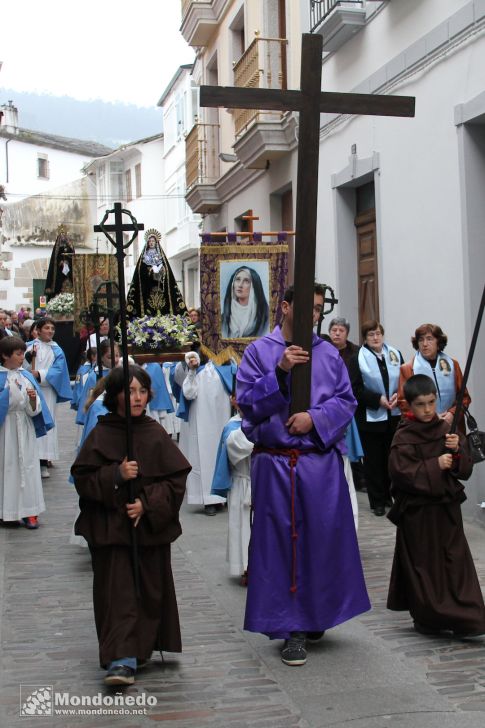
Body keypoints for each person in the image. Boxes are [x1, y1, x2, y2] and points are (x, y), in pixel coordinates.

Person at [236, 284, 370, 666]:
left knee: (321, 541)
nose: (315, 314)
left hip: (319, 464)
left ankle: (315, 614)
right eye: (308, 307)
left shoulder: (329, 354)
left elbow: (346, 402)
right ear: (285, 306)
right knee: (282, 545)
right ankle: (289, 628)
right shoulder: (260, 351)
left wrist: (315, 418)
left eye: (318, 308)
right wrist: (279, 372)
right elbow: (247, 406)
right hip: (277, 464)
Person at [71, 365, 191, 686]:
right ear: (117, 395)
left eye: (142, 391)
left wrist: (147, 504)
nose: (137, 398)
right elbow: (83, 479)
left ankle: (140, 648)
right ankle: (120, 659)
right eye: (130, 391)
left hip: (148, 532)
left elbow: (175, 480)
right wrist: (115, 475)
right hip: (111, 531)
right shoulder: (102, 433)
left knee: (148, 590)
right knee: (117, 591)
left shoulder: (154, 433)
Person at [387, 374, 485, 637]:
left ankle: (467, 618)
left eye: (432, 402)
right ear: (408, 405)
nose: (428, 410)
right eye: (421, 404)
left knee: (455, 562)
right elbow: (400, 473)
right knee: (425, 567)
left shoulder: (445, 430)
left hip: (446, 510)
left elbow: (463, 469)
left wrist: (457, 452)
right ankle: (430, 617)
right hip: (418, 514)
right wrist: (434, 465)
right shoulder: (404, 436)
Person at [349, 320, 403, 517]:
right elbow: (354, 389)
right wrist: (377, 399)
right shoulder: (357, 358)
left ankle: (390, 496)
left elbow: (403, 380)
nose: (375, 337)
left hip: (393, 416)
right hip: (369, 419)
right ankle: (377, 501)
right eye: (371, 334)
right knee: (373, 462)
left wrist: (399, 395)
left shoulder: (394, 355)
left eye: (378, 333)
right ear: (365, 337)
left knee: (391, 460)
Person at [0, 337, 54, 529]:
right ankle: (8, 512)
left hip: (24, 427)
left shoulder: (26, 376)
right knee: (7, 468)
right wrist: (9, 393)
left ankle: (31, 511)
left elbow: (34, 410)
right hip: (5, 429)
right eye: (18, 353)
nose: (22, 356)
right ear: (5, 356)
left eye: (23, 352)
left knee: (29, 467)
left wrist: (32, 400)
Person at [176, 351, 234, 515]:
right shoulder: (198, 372)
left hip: (222, 420)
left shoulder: (227, 370)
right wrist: (192, 370)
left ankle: (223, 495)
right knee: (203, 456)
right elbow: (188, 392)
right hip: (201, 422)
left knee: (224, 454)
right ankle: (208, 498)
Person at [211, 396, 253, 582]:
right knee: (242, 528)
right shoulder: (232, 426)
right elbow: (240, 445)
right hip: (242, 484)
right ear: (234, 400)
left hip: (263, 483)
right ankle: (246, 567)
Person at [23, 317, 72, 478]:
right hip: (30, 390)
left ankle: (43, 460)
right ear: (38, 330)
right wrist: (28, 360)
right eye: (47, 328)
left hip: (46, 391)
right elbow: (20, 365)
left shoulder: (56, 350)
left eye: (52, 328)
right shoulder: (28, 348)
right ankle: (30, 458)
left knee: (46, 422)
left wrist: (40, 374)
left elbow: (58, 370)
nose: (50, 331)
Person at [397, 323, 470, 428]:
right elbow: (403, 403)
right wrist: (431, 416)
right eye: (421, 340)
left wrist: (452, 414)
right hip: (423, 429)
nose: (425, 344)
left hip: (452, 425)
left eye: (429, 339)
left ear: (438, 342)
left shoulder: (453, 365)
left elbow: (464, 397)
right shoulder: (408, 368)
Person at [126, 229, 186, 318]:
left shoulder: (162, 258)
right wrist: (149, 272)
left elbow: (168, 277)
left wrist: (161, 272)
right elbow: (140, 274)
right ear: (147, 242)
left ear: (156, 242)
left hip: (160, 289)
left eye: (153, 241)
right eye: (149, 241)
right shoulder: (143, 259)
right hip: (147, 290)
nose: (151, 243)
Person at [221, 265, 269, 339]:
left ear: (254, 286)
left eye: (246, 281)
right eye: (237, 279)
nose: (240, 285)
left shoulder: (265, 317)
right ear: (233, 284)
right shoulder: (223, 318)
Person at [44, 228, 75, 300]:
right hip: (59, 272)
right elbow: (54, 259)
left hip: (69, 272)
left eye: (64, 235)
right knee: (58, 286)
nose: (63, 237)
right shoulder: (57, 247)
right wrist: (60, 262)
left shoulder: (70, 246)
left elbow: (73, 256)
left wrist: (68, 262)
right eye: (61, 235)